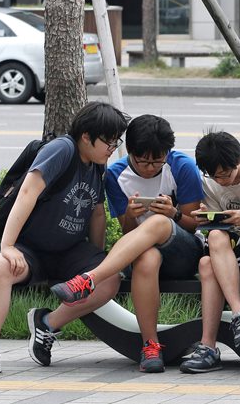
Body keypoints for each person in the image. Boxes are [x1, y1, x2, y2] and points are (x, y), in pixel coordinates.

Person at [0, 102, 130, 377]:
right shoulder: (62, 150)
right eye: (108, 141)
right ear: (86, 136)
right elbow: (28, 192)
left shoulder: (97, 164)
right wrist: (8, 246)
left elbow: (97, 213)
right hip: (32, 250)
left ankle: (47, 324)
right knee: (2, 265)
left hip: (70, 250)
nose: (112, 147)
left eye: (115, 141)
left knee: (107, 277)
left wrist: (93, 260)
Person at [49, 114, 205, 373]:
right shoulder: (115, 174)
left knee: (158, 224)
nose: (149, 167)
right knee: (147, 258)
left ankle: (89, 279)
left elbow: (196, 224)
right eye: (142, 161)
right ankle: (150, 346)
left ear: (168, 152)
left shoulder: (182, 167)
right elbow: (128, 231)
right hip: (143, 256)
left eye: (157, 161)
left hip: (184, 253)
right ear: (129, 151)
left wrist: (173, 214)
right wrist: (131, 217)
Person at [179, 130, 240, 373]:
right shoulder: (208, 180)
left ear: (238, 159)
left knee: (209, 265)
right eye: (214, 176)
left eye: (226, 174)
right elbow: (211, 230)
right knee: (214, 243)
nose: (221, 181)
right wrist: (204, 219)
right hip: (224, 247)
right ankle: (238, 315)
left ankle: (209, 347)